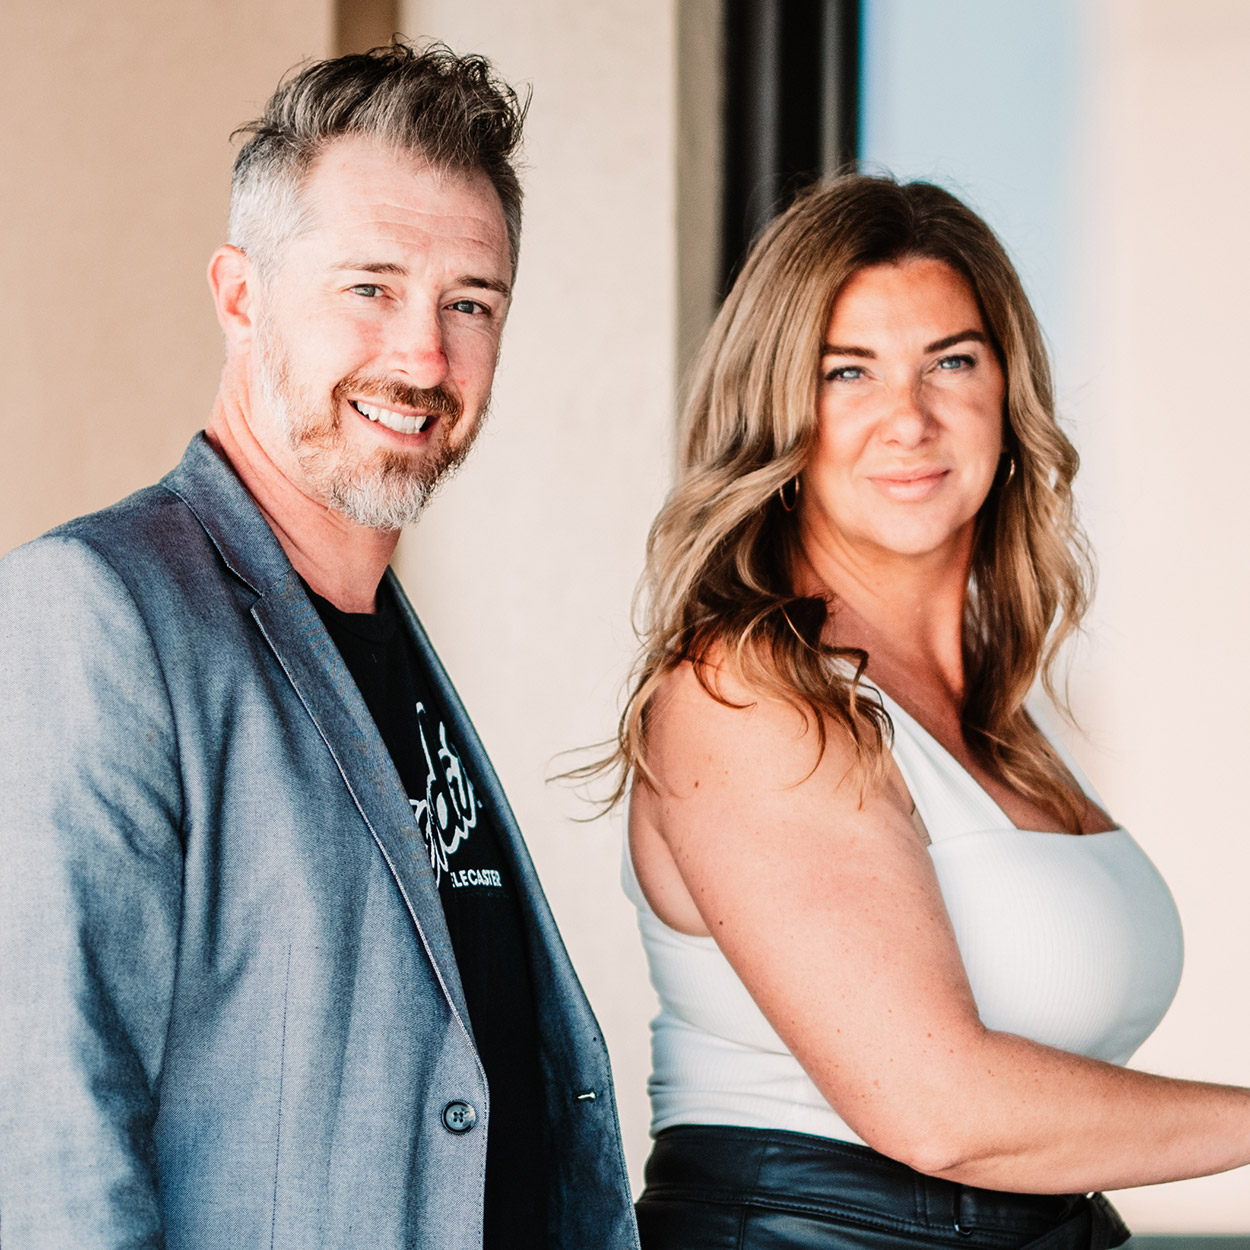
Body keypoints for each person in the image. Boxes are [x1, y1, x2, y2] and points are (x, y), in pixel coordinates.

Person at [0, 43, 638, 1250]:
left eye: (470, 302)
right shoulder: (92, 610)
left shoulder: (386, 643)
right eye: (371, 287)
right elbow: (45, 1140)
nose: (424, 357)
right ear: (240, 295)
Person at [615, 175, 1250, 1248]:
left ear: (1006, 392)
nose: (907, 417)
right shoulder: (746, 694)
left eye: (949, 360)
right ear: (780, 412)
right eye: (845, 371)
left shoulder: (991, 718)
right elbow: (937, 1109)